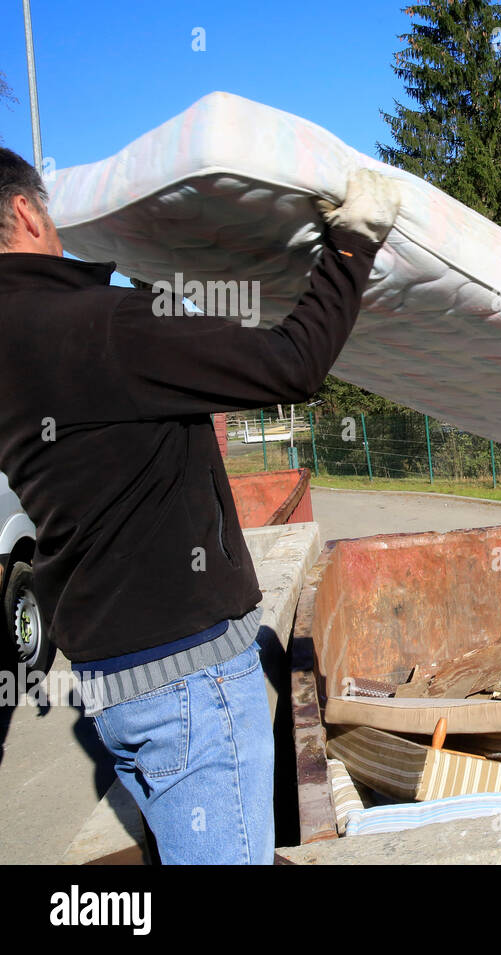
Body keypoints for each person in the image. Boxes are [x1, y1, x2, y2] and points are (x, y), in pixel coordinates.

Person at [0, 148, 401, 863]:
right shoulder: (109, 327)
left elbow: (114, 427)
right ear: (27, 212)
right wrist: (352, 243)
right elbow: (293, 363)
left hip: (110, 681)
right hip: (189, 683)